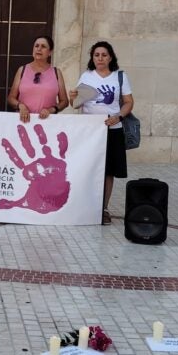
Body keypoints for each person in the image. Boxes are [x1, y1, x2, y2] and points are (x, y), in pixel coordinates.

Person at [68, 41, 133, 225]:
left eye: (104, 55)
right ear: (92, 57)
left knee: (108, 171)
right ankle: (86, 205)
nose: (100, 58)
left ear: (110, 57)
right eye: (96, 55)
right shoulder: (87, 76)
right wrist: (73, 97)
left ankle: (103, 208)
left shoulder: (119, 76)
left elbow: (128, 102)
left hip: (112, 130)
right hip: (90, 131)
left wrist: (118, 117)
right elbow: (76, 104)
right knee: (88, 168)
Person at [7, 35, 68, 123]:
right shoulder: (22, 70)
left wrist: (51, 110)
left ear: (50, 52)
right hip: (24, 122)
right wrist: (20, 106)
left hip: (47, 122)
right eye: (36, 46)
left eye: (43, 46)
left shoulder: (56, 72)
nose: (39, 49)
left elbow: (64, 101)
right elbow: (11, 98)